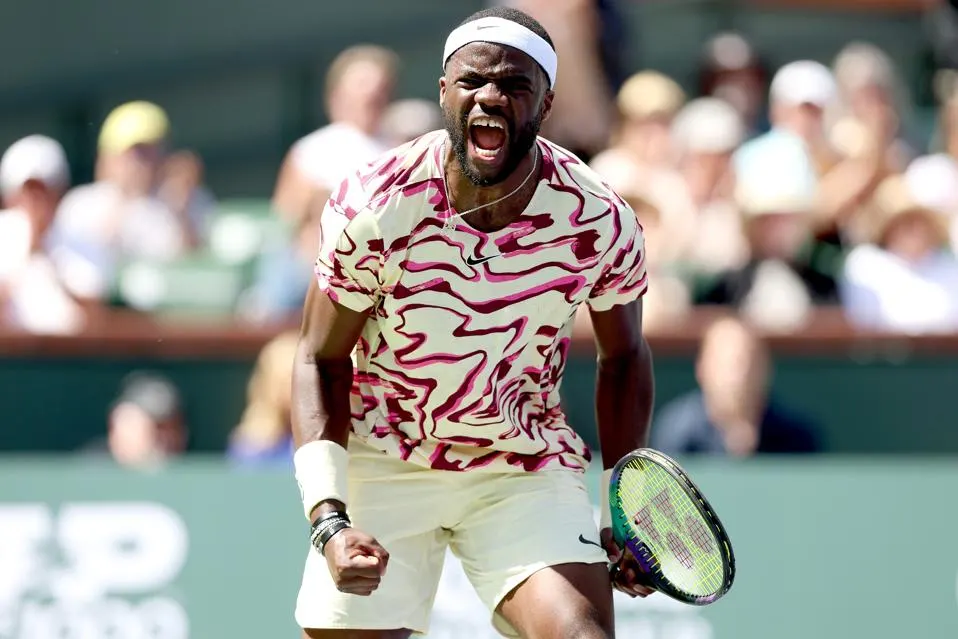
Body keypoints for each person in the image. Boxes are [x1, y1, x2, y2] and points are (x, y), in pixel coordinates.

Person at [290, 7, 655, 639]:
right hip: (385, 457)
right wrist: (329, 518)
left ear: (546, 104)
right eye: (472, 82)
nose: (490, 96)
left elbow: (623, 357)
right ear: (443, 93)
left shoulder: (598, 218)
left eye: (516, 85)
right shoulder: (374, 205)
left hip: (523, 466)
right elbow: (318, 359)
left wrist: (623, 511)